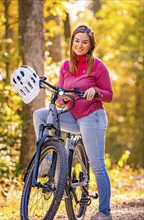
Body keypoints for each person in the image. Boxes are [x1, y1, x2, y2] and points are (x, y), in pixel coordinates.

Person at [33, 25, 113, 220]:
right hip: (73, 116)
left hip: (93, 117)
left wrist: (97, 92)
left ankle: (105, 212)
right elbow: (60, 97)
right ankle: (47, 159)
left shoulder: (98, 66)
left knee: (98, 166)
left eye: (84, 42)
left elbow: (109, 95)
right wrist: (64, 97)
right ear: (72, 43)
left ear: (90, 45)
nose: (80, 45)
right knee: (41, 115)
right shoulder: (66, 66)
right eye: (77, 41)